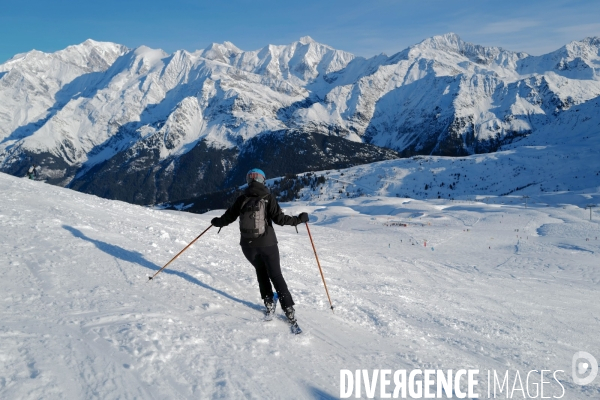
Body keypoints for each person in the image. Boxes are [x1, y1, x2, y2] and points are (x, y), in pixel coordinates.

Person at [210, 168, 309, 325]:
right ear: (263, 180)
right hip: (268, 244)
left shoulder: (241, 198)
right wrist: (299, 219)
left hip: (247, 246)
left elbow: (227, 218)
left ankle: (269, 303)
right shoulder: (268, 197)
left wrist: (216, 222)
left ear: (248, 180)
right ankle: (288, 309)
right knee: (276, 275)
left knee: (261, 271)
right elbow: (280, 219)